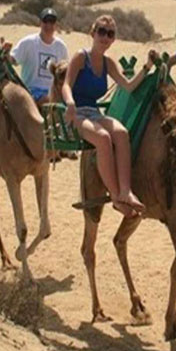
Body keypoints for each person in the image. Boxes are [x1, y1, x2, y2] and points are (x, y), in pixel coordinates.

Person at [60, 15, 154, 218]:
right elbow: (66, 84)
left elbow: (127, 86)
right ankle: (116, 197)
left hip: (93, 112)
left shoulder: (107, 63)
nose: (105, 37)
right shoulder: (80, 57)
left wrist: (146, 68)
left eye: (110, 34)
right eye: (101, 31)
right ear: (92, 33)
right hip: (75, 113)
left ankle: (126, 191)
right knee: (102, 138)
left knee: (121, 133)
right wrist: (69, 103)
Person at [10, 7, 69, 106]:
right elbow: (13, 60)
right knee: (49, 102)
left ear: (56, 24)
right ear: (40, 23)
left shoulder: (61, 47)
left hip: (54, 92)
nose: (49, 25)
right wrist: (6, 53)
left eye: (52, 22)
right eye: (46, 21)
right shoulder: (28, 42)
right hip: (31, 91)